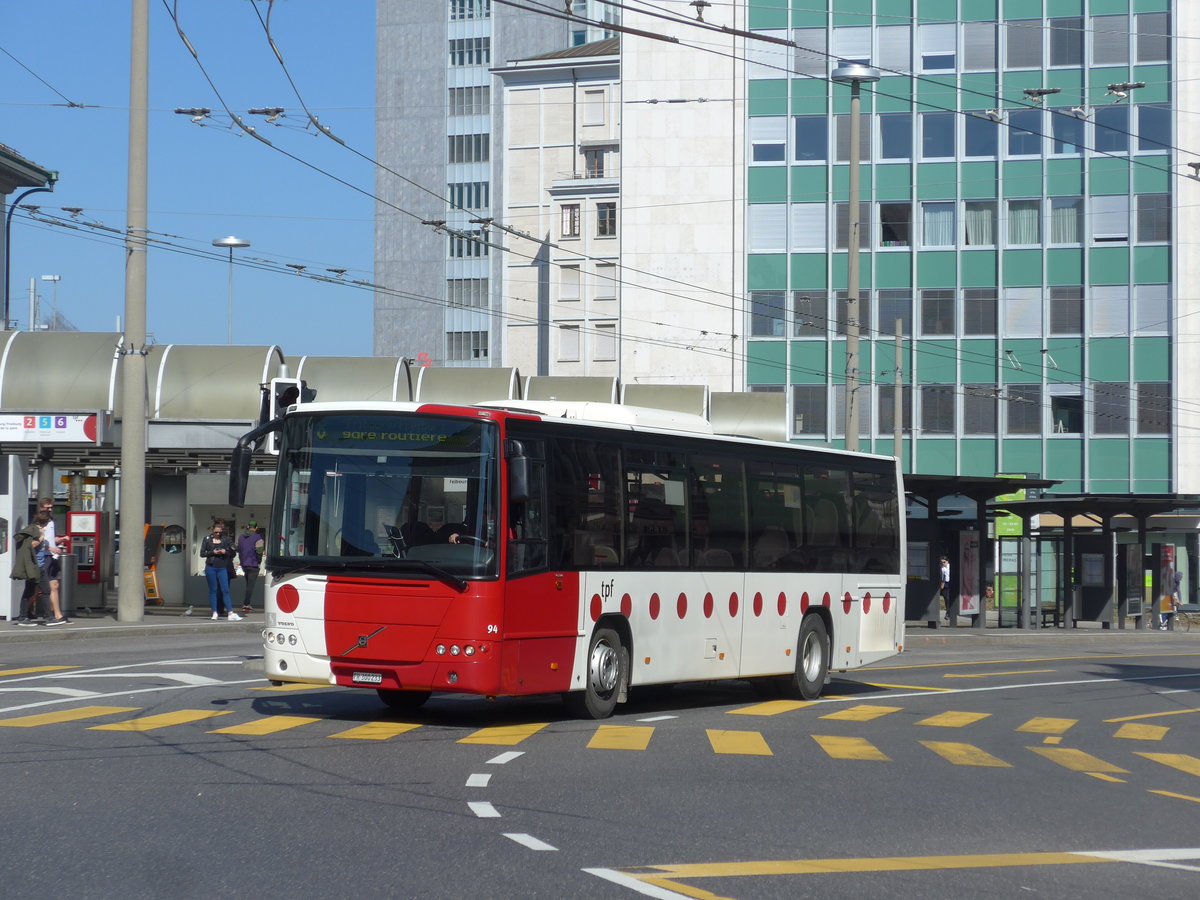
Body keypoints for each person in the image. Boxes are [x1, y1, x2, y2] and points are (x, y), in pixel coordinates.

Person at [200, 521, 242, 621]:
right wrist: (212, 552)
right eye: (216, 532)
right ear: (212, 530)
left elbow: (235, 550)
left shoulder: (226, 539)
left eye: (220, 532)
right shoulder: (207, 539)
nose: (218, 534)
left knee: (225, 590)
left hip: (222, 567)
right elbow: (202, 553)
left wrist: (226, 551)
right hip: (210, 567)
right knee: (213, 590)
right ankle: (215, 612)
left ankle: (230, 612)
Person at [33, 511, 69, 626]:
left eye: (51, 507)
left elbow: (51, 539)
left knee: (52, 586)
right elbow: (34, 543)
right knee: (38, 588)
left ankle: (56, 615)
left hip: (51, 557)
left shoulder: (51, 522)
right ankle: (25, 613)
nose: (50, 509)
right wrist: (50, 548)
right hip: (43, 558)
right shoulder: (36, 527)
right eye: (48, 507)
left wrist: (61, 539)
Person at [10, 518, 44, 625]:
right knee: (31, 591)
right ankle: (23, 616)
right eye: (41, 526)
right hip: (32, 566)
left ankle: (25, 615)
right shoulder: (33, 531)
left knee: (34, 590)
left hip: (36, 565)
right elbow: (31, 545)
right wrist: (42, 536)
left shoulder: (34, 530)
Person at [236, 519, 264, 613]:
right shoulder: (258, 537)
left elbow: (237, 548)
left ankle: (247, 603)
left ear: (248, 526)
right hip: (253, 564)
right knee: (250, 586)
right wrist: (259, 562)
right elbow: (259, 551)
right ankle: (246, 604)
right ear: (256, 528)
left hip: (244, 564)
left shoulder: (240, 537)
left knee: (248, 584)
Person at [938, 555, 951, 622]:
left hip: (950, 583)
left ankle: (948, 613)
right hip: (944, 584)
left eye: (944, 562)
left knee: (948, 599)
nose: (943, 564)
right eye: (941, 562)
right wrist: (942, 583)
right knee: (946, 598)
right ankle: (948, 612)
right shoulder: (941, 568)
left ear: (947, 561)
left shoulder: (949, 567)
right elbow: (942, 576)